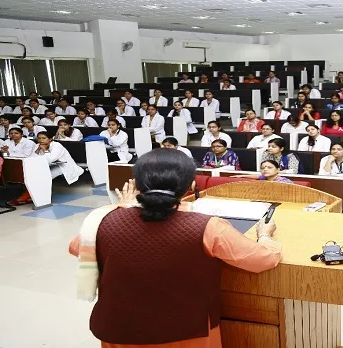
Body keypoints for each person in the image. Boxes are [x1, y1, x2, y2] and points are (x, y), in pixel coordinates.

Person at [67, 149, 281, 347]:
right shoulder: (209, 227)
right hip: (187, 332)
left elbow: (77, 247)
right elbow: (262, 259)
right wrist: (264, 235)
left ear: (138, 185)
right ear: (191, 186)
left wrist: (122, 209)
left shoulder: (102, 220)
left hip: (119, 329)